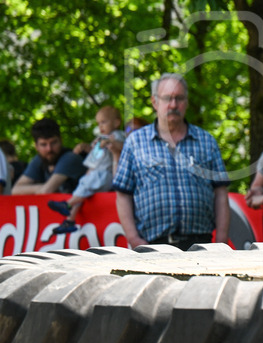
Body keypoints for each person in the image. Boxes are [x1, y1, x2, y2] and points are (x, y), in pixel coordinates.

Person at [112, 73, 230, 250]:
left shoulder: (206, 141)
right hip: (152, 247)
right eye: (167, 98)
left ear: (186, 102)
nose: (173, 105)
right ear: (155, 102)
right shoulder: (135, 142)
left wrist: (221, 239)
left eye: (179, 98)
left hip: (201, 245)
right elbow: (122, 194)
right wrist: (134, 238)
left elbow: (220, 192)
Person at [47, 105, 126, 234]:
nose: (100, 126)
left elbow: (123, 147)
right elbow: (96, 157)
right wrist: (86, 148)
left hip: (104, 175)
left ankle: (67, 204)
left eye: (103, 122)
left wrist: (111, 143)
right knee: (80, 191)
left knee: (82, 190)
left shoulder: (117, 135)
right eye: (98, 123)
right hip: (94, 173)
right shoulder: (101, 138)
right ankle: (70, 220)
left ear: (116, 123)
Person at [12, 118, 86, 195]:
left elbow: (46, 191)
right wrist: (41, 187)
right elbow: (15, 190)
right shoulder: (40, 159)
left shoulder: (70, 158)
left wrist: (39, 188)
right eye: (43, 144)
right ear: (36, 146)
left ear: (61, 140)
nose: (49, 149)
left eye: (53, 143)